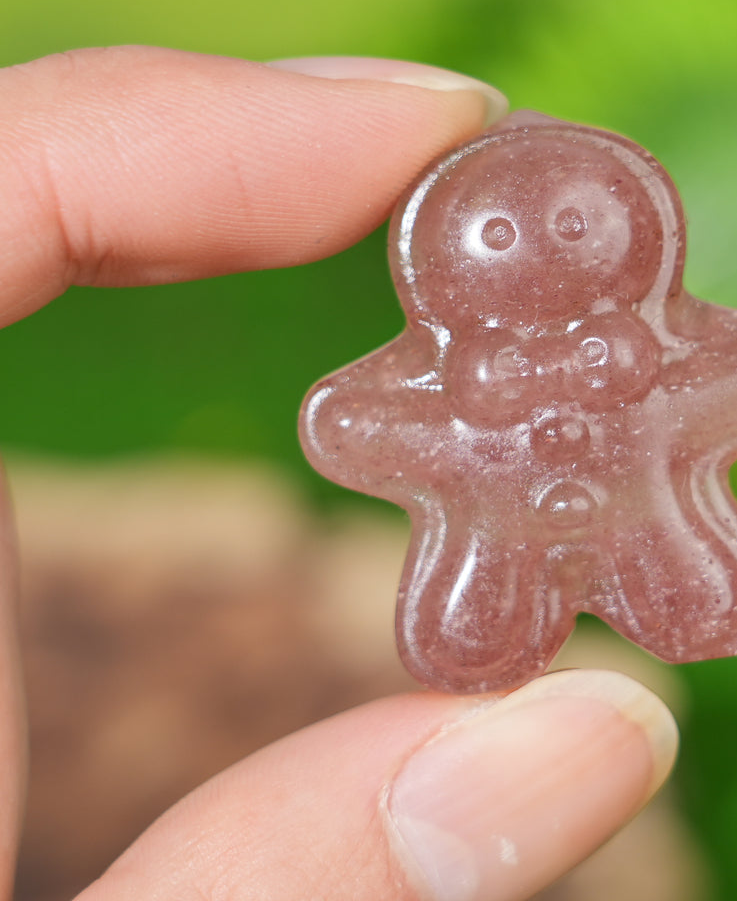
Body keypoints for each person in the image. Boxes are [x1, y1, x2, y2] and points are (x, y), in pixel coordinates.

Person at [0, 47, 677, 901]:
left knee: (671, 569)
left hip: (655, 512)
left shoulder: (650, 355)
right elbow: (352, 422)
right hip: (486, 542)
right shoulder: (451, 367)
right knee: (476, 612)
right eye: (499, 236)